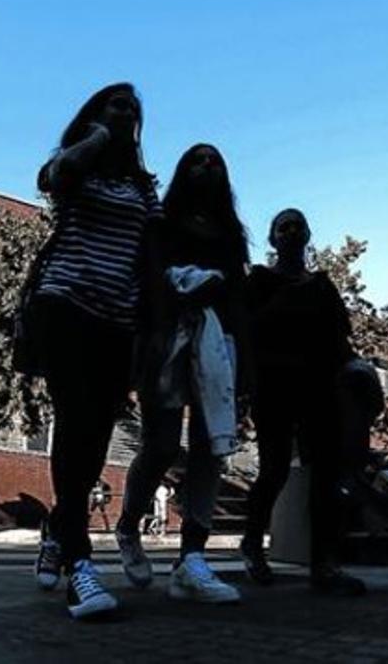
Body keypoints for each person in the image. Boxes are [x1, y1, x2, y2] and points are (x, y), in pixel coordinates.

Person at [29, 82, 162, 619]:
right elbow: (50, 180)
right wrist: (97, 137)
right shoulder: (77, 164)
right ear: (96, 111)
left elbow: (153, 248)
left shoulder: (143, 185)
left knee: (97, 434)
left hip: (118, 320)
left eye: (133, 109)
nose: (127, 112)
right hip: (66, 305)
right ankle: (80, 566)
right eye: (117, 104)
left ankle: (57, 531)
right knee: (76, 421)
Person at [114, 143, 250, 604]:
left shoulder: (231, 232)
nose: (206, 166)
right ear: (181, 170)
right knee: (162, 444)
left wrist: (243, 365)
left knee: (212, 448)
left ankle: (191, 558)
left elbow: (238, 296)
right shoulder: (162, 223)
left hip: (218, 341)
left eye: (215, 160)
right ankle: (129, 524)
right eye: (197, 159)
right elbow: (148, 280)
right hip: (168, 336)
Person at [241, 208, 367, 596]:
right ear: (273, 238)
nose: (291, 231)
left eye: (298, 225)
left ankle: (324, 564)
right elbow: (248, 329)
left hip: (320, 387)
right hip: (275, 385)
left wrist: (355, 366)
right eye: (283, 226)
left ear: (308, 235)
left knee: (326, 474)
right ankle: (251, 545)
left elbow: (340, 338)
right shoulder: (260, 281)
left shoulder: (323, 286)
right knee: (274, 468)